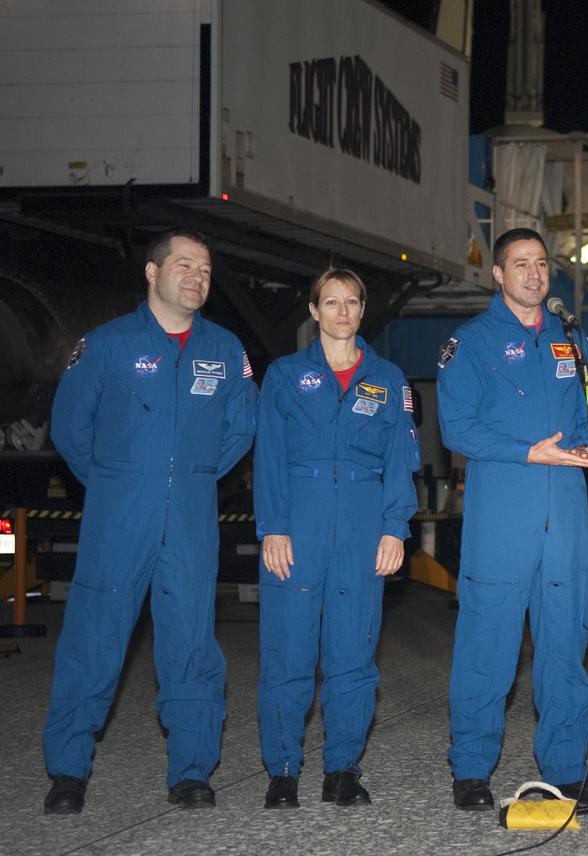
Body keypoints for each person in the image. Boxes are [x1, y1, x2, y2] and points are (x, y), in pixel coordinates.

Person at [42, 229, 259, 813]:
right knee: (93, 640)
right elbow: (69, 427)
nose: (196, 276)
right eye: (183, 264)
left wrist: (195, 474)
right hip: (118, 518)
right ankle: (67, 772)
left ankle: (191, 771)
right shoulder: (108, 344)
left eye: (205, 269)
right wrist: (116, 480)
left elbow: (242, 426)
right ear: (151, 272)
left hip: (190, 519)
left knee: (190, 645)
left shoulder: (225, 350)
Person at [436, 228, 588, 810]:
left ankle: (565, 768)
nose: (534, 274)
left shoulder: (570, 338)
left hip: (563, 516)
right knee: (488, 646)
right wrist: (526, 450)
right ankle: (471, 771)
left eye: (541, 264)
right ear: (498, 274)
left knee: (565, 643)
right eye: (520, 264)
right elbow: (455, 427)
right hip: (501, 517)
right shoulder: (473, 342)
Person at [253, 268, 420, 809]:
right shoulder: (283, 375)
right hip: (295, 526)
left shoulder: (389, 379)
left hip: (361, 526)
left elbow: (401, 462)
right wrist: (272, 526)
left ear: (362, 310)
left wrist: (396, 528)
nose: (342, 312)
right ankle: (282, 771)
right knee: (288, 654)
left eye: (351, 302)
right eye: (331, 302)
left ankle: (342, 770)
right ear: (313, 310)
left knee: (353, 656)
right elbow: (270, 458)